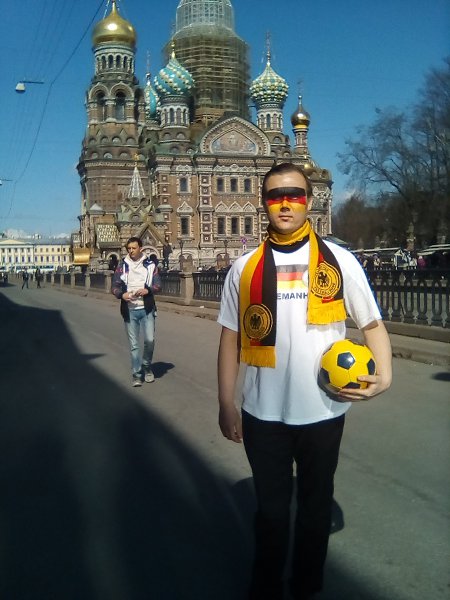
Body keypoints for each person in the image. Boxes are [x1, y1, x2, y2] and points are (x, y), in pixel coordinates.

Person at [217, 163, 392, 600]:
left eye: (294, 194)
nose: (285, 203)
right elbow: (230, 338)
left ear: (308, 201)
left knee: (315, 508)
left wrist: (385, 376)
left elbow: (371, 322)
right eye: (275, 195)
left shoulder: (339, 261)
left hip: (324, 411)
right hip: (263, 414)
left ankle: (306, 586)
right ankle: (266, 588)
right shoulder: (244, 268)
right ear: (263, 203)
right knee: (272, 514)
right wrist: (225, 402)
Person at [112, 237, 161, 387]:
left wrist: (148, 290)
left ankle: (146, 365)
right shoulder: (122, 266)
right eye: (129, 249)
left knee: (150, 340)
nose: (131, 251)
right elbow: (114, 286)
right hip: (129, 310)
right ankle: (137, 374)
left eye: (134, 248)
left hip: (147, 309)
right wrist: (122, 295)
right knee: (134, 346)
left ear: (140, 248)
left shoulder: (150, 265)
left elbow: (158, 285)